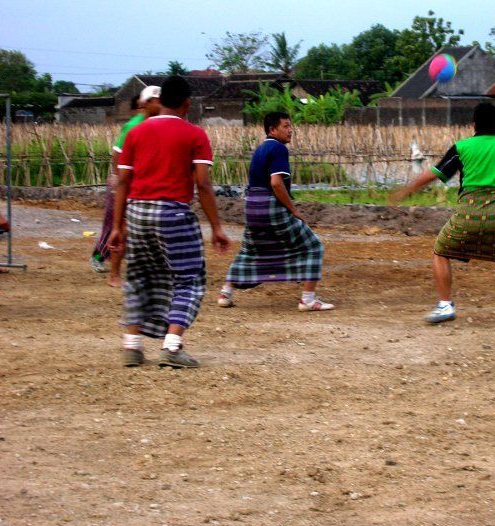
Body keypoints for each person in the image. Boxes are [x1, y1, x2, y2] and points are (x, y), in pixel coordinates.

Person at [390, 103, 495, 331]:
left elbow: (435, 173)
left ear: (474, 125)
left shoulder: (462, 147)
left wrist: (408, 189)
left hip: (467, 216)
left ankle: (445, 305)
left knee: (441, 251)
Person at [108, 75, 231, 368]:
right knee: (189, 278)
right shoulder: (194, 135)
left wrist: (117, 225)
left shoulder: (135, 133)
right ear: (188, 103)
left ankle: (132, 346)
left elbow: (122, 182)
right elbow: (202, 184)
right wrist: (216, 227)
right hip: (173, 213)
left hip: (137, 212)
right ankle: (172, 347)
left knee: (139, 275)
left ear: (160, 101)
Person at [218, 111, 335, 312]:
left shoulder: (261, 149)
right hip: (270, 206)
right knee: (313, 246)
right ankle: (308, 299)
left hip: (252, 206)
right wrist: (293, 210)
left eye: (291, 126)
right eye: (286, 126)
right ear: (273, 129)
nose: (291, 131)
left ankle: (225, 293)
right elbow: (276, 183)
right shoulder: (278, 149)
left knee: (251, 249)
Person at [91, 86, 161, 287]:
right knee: (120, 227)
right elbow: (117, 155)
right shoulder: (133, 126)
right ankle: (111, 270)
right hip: (127, 184)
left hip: (144, 184)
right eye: (156, 100)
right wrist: (119, 180)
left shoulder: (156, 125)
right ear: (145, 103)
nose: (161, 104)